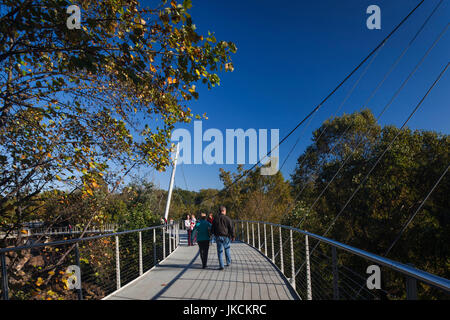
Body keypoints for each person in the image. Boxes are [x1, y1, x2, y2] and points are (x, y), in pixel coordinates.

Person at [211, 205, 234, 270]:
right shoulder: (228, 218)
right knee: (227, 249)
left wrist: (213, 234)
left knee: (220, 251)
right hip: (226, 236)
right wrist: (233, 236)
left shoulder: (216, 218)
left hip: (218, 236)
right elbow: (231, 228)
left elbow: (213, 228)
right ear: (223, 211)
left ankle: (221, 266)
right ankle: (228, 262)